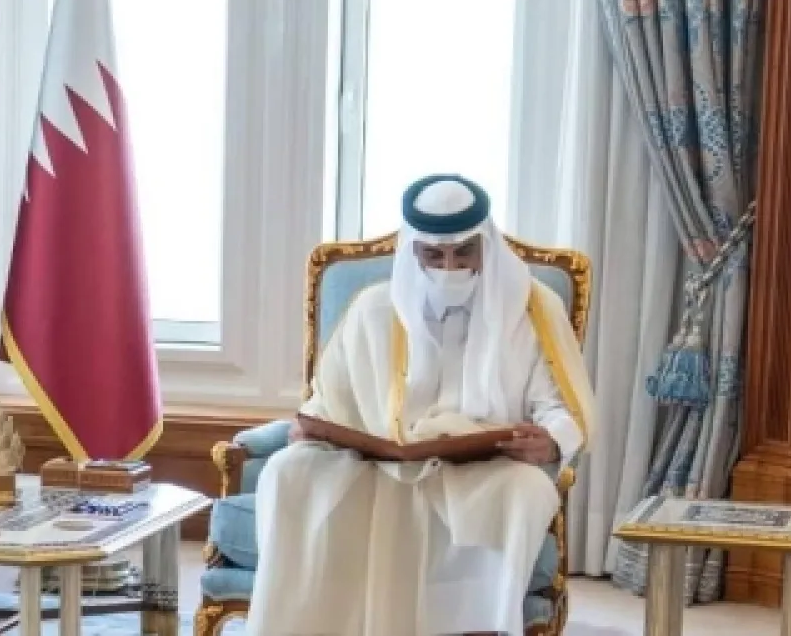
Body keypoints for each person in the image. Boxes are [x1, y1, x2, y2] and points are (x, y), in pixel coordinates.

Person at [245, 175, 596, 636]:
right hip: (374, 463)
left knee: (526, 492)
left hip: (481, 470)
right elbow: (331, 399)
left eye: (464, 253)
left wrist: (550, 442)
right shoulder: (372, 309)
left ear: (485, 244)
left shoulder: (531, 309)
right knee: (287, 473)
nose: (450, 266)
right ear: (413, 251)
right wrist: (312, 427)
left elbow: (559, 404)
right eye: (435, 255)